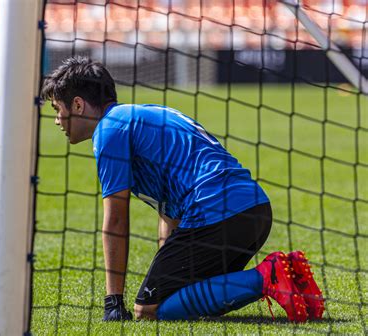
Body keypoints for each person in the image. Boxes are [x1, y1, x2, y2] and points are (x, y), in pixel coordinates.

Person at [41, 56, 324, 323]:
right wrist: (164, 268)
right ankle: (293, 279)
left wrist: (113, 302)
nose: (57, 121)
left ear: (77, 105)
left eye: (57, 110)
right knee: (182, 296)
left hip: (216, 212)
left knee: (147, 309)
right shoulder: (142, 115)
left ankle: (268, 276)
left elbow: (115, 220)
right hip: (254, 211)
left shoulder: (109, 130)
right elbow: (169, 210)